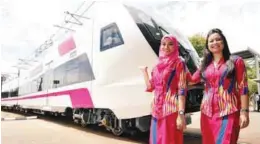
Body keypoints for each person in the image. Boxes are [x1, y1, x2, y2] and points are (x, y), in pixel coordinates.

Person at [187, 28, 250, 144]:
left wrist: (244, 112)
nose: (214, 43)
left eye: (218, 39)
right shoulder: (204, 65)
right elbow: (190, 81)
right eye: (211, 41)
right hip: (207, 113)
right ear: (207, 45)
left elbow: (243, 88)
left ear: (223, 42)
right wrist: (179, 66)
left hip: (228, 111)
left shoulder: (236, 61)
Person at [140, 34, 187, 144]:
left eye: (170, 44)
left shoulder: (179, 63)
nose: (166, 47)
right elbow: (151, 87)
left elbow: (182, 90)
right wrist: (144, 72)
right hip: (156, 111)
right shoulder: (157, 66)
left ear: (175, 46)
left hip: (170, 111)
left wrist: (181, 114)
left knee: (169, 141)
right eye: (163, 44)